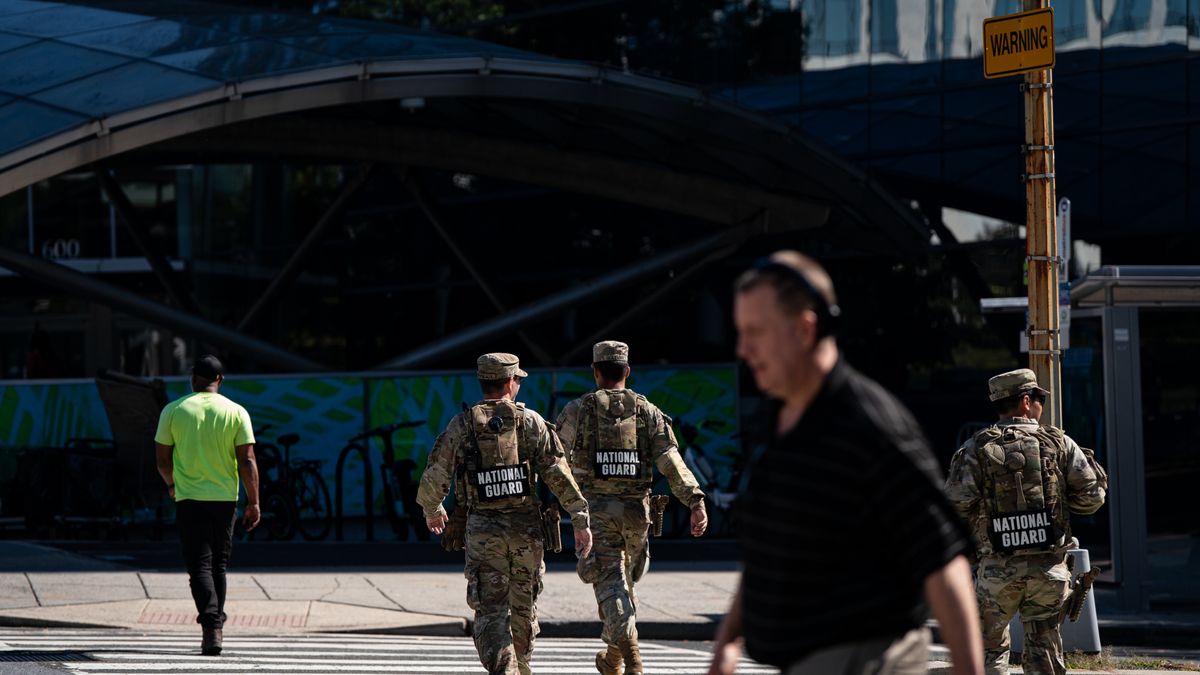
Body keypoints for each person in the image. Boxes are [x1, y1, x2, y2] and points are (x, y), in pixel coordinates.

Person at [709, 251, 984, 675]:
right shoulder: (775, 418)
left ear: (804, 329)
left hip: (869, 661)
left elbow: (944, 561)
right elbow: (770, 546)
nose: (742, 349)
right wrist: (727, 641)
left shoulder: (871, 424)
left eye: (755, 332)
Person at [417, 352, 594, 675]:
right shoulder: (531, 423)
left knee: (491, 610)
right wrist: (580, 519)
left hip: (484, 534)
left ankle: (507, 669)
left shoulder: (463, 424)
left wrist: (433, 510)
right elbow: (559, 475)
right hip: (526, 532)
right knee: (523, 608)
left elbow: (436, 474)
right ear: (511, 382)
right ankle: (519, 667)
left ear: (483, 382)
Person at [556, 340, 708, 675]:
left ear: (596, 372)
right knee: (625, 586)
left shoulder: (577, 411)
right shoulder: (647, 411)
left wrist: (565, 505)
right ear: (626, 371)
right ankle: (613, 659)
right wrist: (695, 499)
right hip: (638, 515)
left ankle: (632, 659)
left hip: (596, 513)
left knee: (612, 585)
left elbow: (554, 462)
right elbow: (670, 459)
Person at [945, 369, 1107, 675]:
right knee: (1044, 651)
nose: (1041, 404)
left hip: (995, 573)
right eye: (1039, 398)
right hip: (1049, 571)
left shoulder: (975, 448)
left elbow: (955, 505)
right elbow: (1092, 498)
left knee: (988, 650)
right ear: (1024, 402)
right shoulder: (1060, 443)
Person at [154, 355, 260, 656]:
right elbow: (248, 460)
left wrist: (172, 484)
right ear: (220, 381)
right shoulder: (237, 412)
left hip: (189, 498)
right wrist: (254, 502)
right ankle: (216, 626)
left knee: (198, 565)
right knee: (219, 565)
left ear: (193, 379)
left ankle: (211, 625)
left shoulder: (173, 411)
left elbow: (162, 460)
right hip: (224, 499)